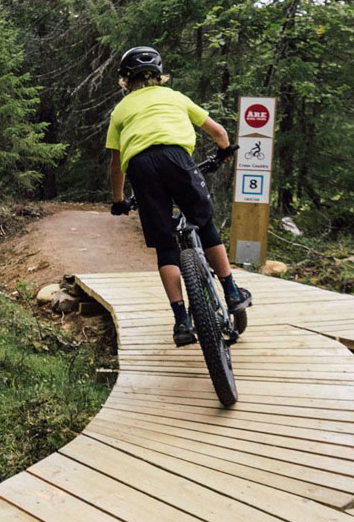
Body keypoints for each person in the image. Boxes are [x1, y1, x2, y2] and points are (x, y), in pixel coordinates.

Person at [104, 46, 249, 346]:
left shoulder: (120, 111)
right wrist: (224, 152)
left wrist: (118, 200)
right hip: (176, 158)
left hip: (141, 167)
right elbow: (219, 132)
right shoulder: (175, 97)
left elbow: (116, 164)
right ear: (159, 75)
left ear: (125, 81)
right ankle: (232, 291)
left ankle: (182, 321)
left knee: (165, 246)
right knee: (205, 224)